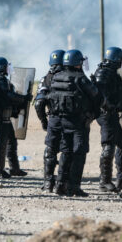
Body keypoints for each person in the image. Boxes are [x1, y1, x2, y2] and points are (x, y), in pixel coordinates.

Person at [47, 50, 101, 196]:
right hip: (78, 123)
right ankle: (73, 186)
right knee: (79, 153)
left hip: (61, 121)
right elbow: (96, 96)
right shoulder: (81, 78)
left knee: (66, 152)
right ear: (78, 63)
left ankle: (60, 185)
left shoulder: (56, 76)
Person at [93, 47, 122, 192]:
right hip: (106, 114)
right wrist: (120, 105)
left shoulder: (113, 74)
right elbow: (105, 99)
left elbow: (119, 94)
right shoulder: (103, 74)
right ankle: (105, 182)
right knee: (108, 146)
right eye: (121, 60)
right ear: (116, 59)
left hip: (113, 113)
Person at [0, 57, 32, 178]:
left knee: (11, 141)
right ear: (2, 67)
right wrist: (24, 98)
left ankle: (14, 168)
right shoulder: (0, 80)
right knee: (1, 143)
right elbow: (8, 95)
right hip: (2, 116)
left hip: (4, 116)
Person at [34, 49, 65, 192]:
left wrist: (43, 121)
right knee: (67, 149)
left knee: (50, 149)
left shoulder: (45, 78)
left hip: (53, 118)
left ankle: (48, 182)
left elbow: (39, 103)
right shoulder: (70, 77)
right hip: (69, 119)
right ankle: (62, 182)